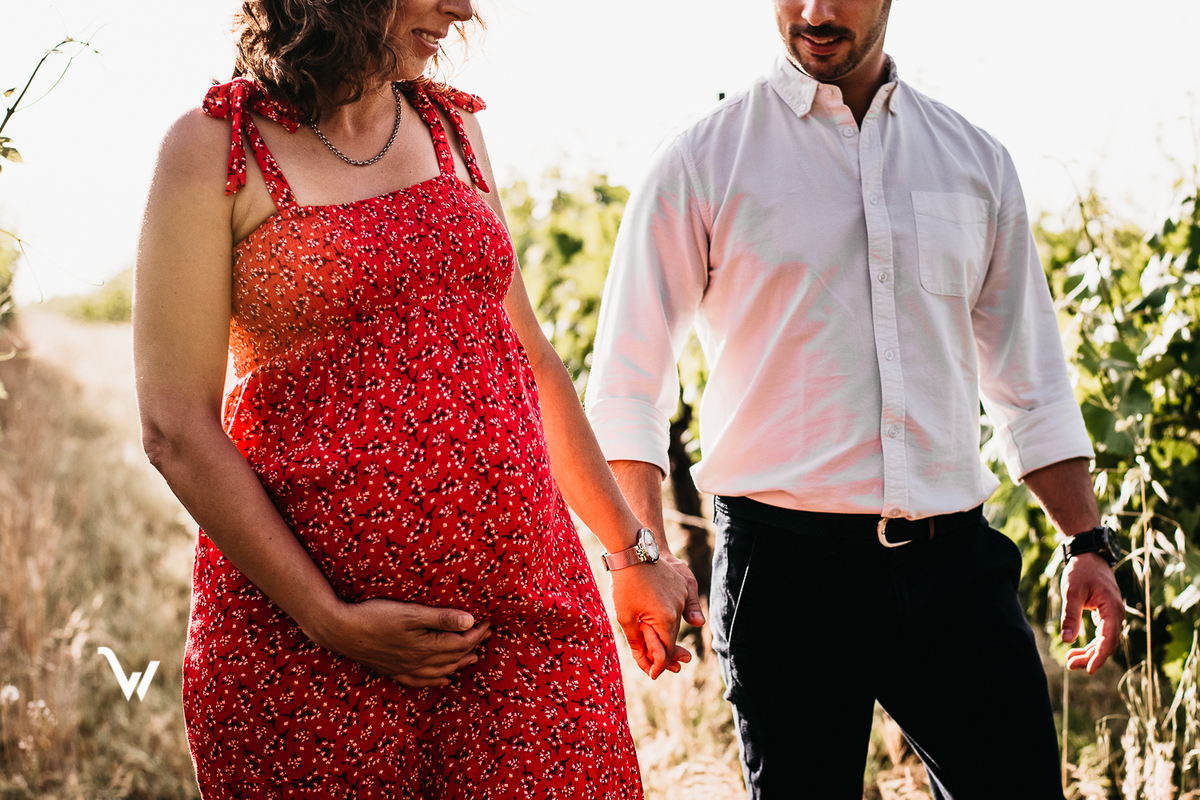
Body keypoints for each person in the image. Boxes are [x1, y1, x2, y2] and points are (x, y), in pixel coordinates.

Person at [133, 0, 701, 795]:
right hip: (308, 655)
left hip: (523, 621)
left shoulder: (452, 131)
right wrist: (327, 618)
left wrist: (631, 551)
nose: (464, 9)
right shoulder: (215, 149)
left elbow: (533, 364)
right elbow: (174, 426)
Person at [584, 1, 1125, 798]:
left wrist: (1087, 538)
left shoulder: (975, 160)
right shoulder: (701, 161)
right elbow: (628, 385)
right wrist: (644, 558)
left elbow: (1030, 375)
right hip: (784, 578)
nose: (816, 11)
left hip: (956, 569)